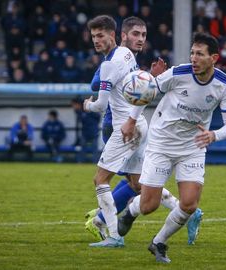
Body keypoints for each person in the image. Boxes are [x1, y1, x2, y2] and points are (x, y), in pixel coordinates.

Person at [118, 33, 226, 263]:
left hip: (193, 146)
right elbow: (146, 93)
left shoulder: (224, 84)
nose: (193, 58)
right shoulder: (178, 73)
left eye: (199, 54)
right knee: (149, 206)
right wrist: (131, 121)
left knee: (190, 204)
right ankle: (132, 210)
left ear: (213, 58)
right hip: (161, 143)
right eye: (192, 53)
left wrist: (214, 134)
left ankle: (158, 242)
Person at [82, 15, 186, 248]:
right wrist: (152, 77)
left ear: (113, 35)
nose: (97, 41)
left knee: (100, 180)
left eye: (101, 36)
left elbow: (100, 105)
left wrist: (87, 104)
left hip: (124, 128)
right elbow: (138, 86)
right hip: (138, 123)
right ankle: (185, 210)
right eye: (93, 37)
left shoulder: (109, 65)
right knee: (139, 183)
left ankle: (113, 236)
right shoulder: (127, 55)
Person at [71, 97, 101, 163]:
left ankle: (95, 162)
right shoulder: (79, 112)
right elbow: (80, 119)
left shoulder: (93, 110)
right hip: (85, 133)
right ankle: (81, 162)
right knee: (83, 148)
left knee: (94, 148)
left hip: (94, 132)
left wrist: (89, 111)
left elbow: (98, 117)